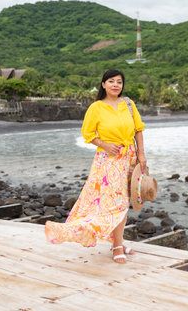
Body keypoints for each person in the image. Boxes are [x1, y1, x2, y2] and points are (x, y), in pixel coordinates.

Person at [45, 69, 147, 264]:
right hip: (108, 161)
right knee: (115, 203)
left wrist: (141, 154)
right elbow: (88, 134)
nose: (116, 85)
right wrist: (105, 145)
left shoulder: (128, 104)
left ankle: (118, 241)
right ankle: (117, 245)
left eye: (119, 82)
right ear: (103, 85)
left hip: (130, 158)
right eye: (111, 81)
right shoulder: (96, 107)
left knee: (124, 202)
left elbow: (139, 130)